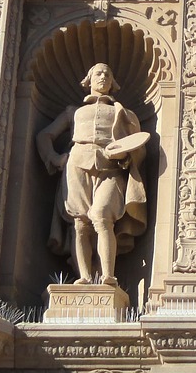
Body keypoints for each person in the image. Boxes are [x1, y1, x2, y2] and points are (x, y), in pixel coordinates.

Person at [37, 63, 148, 285]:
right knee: (80, 222)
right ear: (88, 79)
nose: (103, 77)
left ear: (113, 82)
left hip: (110, 167)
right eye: (98, 73)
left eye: (108, 73)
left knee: (102, 215)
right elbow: (44, 136)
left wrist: (125, 156)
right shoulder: (73, 112)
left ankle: (108, 276)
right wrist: (56, 158)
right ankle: (85, 278)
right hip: (76, 163)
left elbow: (138, 146)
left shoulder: (122, 112)